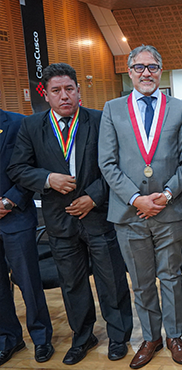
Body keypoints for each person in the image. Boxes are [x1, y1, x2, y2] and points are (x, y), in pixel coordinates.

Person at [8, 63, 133, 365]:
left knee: (111, 280)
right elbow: (18, 168)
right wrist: (48, 179)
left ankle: (118, 336)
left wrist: (94, 196)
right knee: (72, 283)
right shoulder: (31, 127)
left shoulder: (100, 120)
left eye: (69, 89)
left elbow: (116, 167)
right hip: (59, 219)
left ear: (78, 90)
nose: (64, 96)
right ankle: (83, 336)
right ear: (46, 96)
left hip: (98, 215)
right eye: (56, 91)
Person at [98, 45, 182, 369]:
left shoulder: (180, 109)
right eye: (139, 67)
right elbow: (107, 163)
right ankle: (150, 337)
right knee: (140, 281)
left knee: (171, 277)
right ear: (129, 71)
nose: (146, 72)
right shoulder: (112, 109)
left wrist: (165, 196)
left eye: (152, 67)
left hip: (170, 209)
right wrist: (137, 198)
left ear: (161, 70)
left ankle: (174, 336)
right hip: (129, 213)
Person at [0, 99, 54, 366]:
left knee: (28, 283)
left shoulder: (18, 123)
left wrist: (9, 201)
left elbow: (31, 169)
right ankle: (8, 338)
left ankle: (42, 338)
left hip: (15, 215)